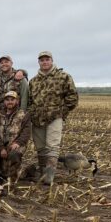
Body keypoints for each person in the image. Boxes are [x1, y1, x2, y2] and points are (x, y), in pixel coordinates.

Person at [28, 51, 78, 184]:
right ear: (39, 62)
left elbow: (72, 98)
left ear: (52, 61)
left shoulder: (63, 77)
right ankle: (43, 174)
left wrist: (61, 113)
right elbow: (30, 101)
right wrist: (32, 112)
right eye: (42, 60)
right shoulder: (33, 81)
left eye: (47, 59)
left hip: (55, 118)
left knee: (52, 146)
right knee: (40, 147)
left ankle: (49, 177)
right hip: (37, 119)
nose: (44, 62)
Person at [0, 90, 31, 184]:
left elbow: (26, 132)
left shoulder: (24, 114)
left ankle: (11, 180)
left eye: (12, 100)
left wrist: (17, 143)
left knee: (14, 154)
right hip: (2, 143)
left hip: (17, 143)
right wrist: (1, 147)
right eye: (7, 100)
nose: (9, 102)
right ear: (4, 102)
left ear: (17, 101)